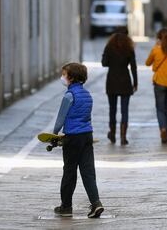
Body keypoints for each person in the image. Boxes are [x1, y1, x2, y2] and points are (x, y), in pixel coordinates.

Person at [52, 63, 104, 218]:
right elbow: (86, 117)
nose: (62, 77)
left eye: (64, 74)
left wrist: (54, 135)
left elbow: (61, 119)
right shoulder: (88, 95)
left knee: (69, 172)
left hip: (72, 138)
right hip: (87, 136)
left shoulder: (69, 96)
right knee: (88, 172)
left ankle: (66, 206)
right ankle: (96, 203)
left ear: (72, 77)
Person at [102, 31, 137, 145]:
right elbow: (133, 67)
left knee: (112, 110)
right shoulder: (129, 48)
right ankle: (123, 137)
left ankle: (112, 134)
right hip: (125, 82)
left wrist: (106, 55)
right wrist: (135, 82)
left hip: (111, 82)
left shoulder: (109, 48)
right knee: (124, 110)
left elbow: (104, 63)